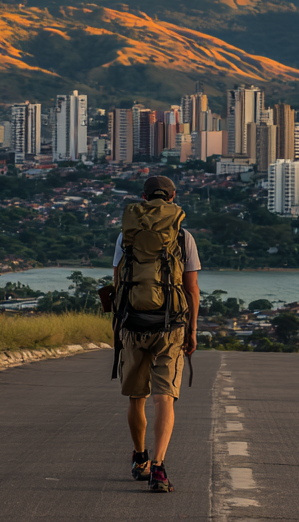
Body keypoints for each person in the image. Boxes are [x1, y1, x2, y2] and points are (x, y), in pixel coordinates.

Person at [113, 175, 200, 493]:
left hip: (134, 324)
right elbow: (191, 288)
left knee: (137, 397)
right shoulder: (182, 235)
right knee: (165, 399)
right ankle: (159, 468)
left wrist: (118, 323)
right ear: (172, 197)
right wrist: (192, 330)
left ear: (144, 197)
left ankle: (139, 458)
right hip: (171, 326)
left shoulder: (127, 235)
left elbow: (117, 283)